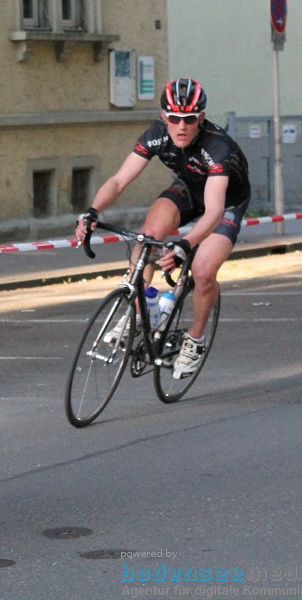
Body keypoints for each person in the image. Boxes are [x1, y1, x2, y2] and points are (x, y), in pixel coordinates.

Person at [75, 78, 250, 380]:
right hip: (188, 189)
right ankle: (143, 310)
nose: (181, 126)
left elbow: (214, 211)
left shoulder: (218, 147)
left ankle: (194, 340)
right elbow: (119, 180)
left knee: (205, 271)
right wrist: (92, 212)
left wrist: (185, 244)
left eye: (189, 119)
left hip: (224, 202)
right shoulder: (156, 136)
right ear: (163, 117)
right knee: (147, 238)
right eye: (173, 118)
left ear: (201, 119)